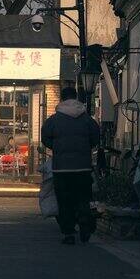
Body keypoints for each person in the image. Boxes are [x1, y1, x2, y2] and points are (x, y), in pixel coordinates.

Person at [41, 87, 100, 245]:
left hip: (61, 169)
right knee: (83, 198)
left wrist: (57, 147)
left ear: (62, 99)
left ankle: (68, 233)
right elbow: (96, 137)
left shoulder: (54, 120)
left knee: (65, 201)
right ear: (76, 98)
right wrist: (86, 147)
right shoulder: (87, 119)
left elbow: (45, 137)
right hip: (83, 168)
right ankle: (85, 226)